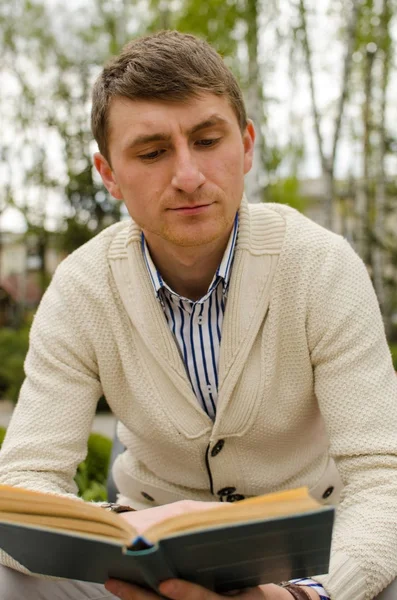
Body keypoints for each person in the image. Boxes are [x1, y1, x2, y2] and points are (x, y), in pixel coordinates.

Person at [0, 30, 397, 600]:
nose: (188, 174)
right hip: (138, 561)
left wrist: (307, 595)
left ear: (247, 145)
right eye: (153, 152)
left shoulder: (322, 265)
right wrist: (118, 538)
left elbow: (384, 477)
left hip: (311, 563)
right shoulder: (82, 287)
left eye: (208, 140)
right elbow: (22, 482)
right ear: (109, 173)